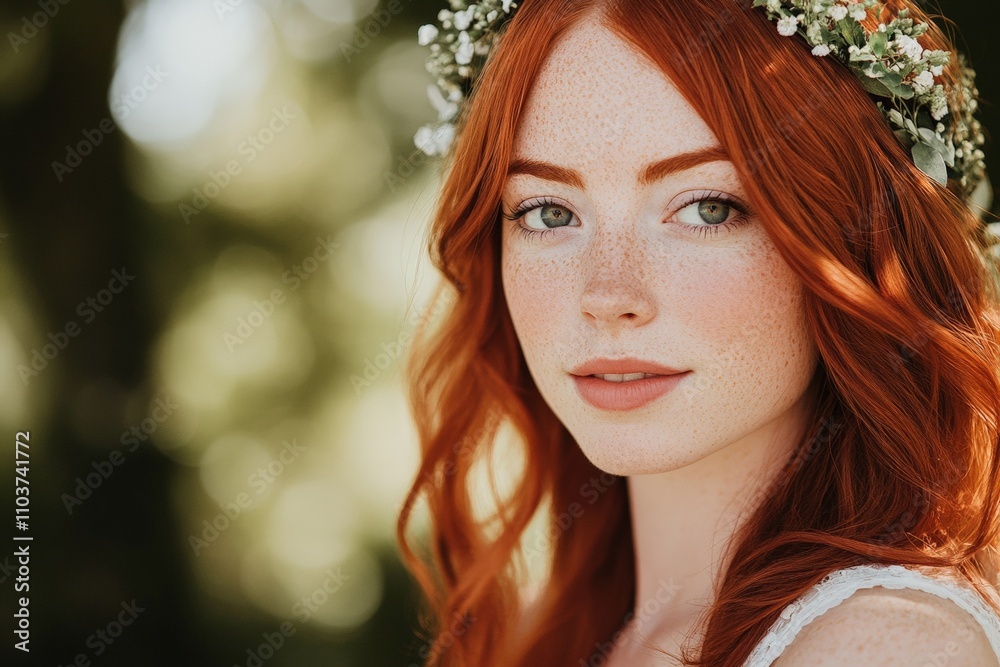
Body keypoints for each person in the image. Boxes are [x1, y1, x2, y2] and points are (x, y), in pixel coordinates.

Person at [396, 1, 1000, 665]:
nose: (608, 296)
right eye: (547, 211)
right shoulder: (542, 633)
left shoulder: (889, 644)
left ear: (850, 238)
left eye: (707, 208)